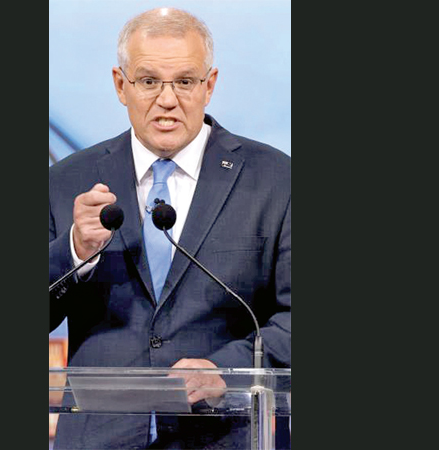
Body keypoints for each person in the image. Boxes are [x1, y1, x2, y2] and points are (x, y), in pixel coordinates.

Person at [49, 7, 291, 449]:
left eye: (184, 81)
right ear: (120, 85)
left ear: (209, 86)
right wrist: (74, 251)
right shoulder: (66, 181)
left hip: (218, 436)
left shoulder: (275, 180)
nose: (167, 99)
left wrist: (225, 370)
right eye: (148, 81)